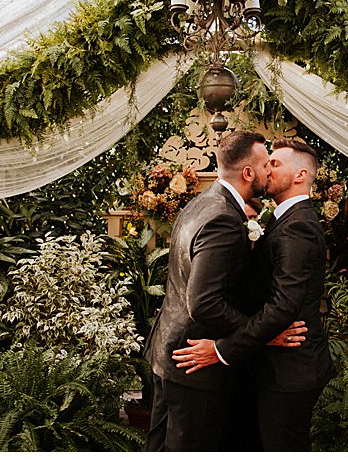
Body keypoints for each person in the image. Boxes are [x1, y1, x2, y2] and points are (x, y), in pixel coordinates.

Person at [143, 130, 303, 451]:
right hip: (194, 366)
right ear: (247, 173)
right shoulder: (224, 219)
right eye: (264, 166)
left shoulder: (200, 203)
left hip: (166, 352)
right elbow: (204, 303)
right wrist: (261, 335)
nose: (269, 172)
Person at [173, 138, 335, 451]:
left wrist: (222, 350)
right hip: (269, 366)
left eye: (275, 163)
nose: (267, 169)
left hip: (289, 371)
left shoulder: (299, 227)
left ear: (300, 176)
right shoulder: (282, 219)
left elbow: (282, 307)